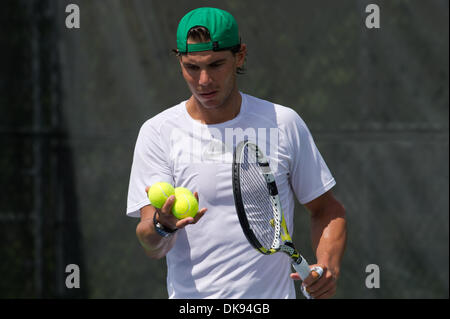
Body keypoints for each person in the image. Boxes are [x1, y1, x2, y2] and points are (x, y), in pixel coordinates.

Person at [126, 7, 346, 299]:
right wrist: (162, 227)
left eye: (215, 65)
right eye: (192, 67)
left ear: (239, 56)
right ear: (179, 61)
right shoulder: (157, 132)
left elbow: (327, 210)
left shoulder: (284, 123)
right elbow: (151, 244)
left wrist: (327, 266)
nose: (203, 80)